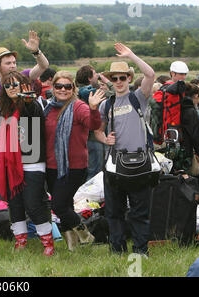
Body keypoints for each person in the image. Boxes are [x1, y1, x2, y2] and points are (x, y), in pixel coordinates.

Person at [94, 43, 156, 255]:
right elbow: (97, 131)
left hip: (139, 162)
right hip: (114, 164)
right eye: (114, 78)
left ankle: (140, 251)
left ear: (129, 78)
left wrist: (131, 55)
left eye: (123, 77)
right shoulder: (107, 104)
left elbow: (150, 73)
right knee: (113, 211)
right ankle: (117, 250)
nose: (118, 82)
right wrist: (104, 139)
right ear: (110, 81)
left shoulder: (138, 97)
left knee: (139, 212)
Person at [44, 71, 105, 251]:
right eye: (59, 86)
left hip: (74, 167)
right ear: (53, 88)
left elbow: (93, 125)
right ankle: (72, 245)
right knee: (66, 204)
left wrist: (93, 109)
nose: (63, 90)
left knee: (59, 205)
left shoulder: (79, 107)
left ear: (73, 88)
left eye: (67, 86)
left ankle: (85, 233)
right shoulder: (48, 108)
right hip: (51, 165)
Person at [0, 71, 54, 256]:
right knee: (15, 204)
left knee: (33, 203)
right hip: (10, 164)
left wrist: (28, 101)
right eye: (7, 85)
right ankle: (20, 241)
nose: (11, 88)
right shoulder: (5, 109)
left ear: (23, 86)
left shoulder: (32, 104)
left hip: (31, 161)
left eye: (15, 84)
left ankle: (48, 243)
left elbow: (33, 115)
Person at [76, 65, 113, 181]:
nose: (97, 75)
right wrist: (105, 80)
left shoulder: (78, 90)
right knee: (95, 172)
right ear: (89, 78)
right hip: (93, 137)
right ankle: (90, 197)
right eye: (95, 73)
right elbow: (113, 93)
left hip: (84, 136)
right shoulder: (89, 91)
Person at [0, 30, 49, 95]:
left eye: (14, 62)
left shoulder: (24, 76)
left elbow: (43, 66)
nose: (13, 66)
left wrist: (36, 52)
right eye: (8, 63)